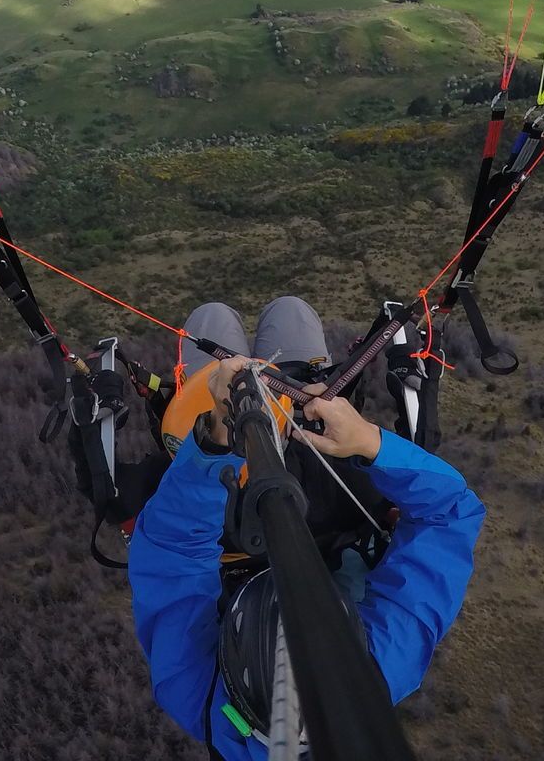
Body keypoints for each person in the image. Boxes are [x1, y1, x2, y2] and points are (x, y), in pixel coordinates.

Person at [128, 298, 485, 757]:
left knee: (214, 318)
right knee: (289, 313)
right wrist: (369, 443)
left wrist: (211, 442)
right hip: (325, 501)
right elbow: (449, 513)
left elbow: (172, 550)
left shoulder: (194, 690)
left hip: (226, 520)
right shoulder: (373, 674)